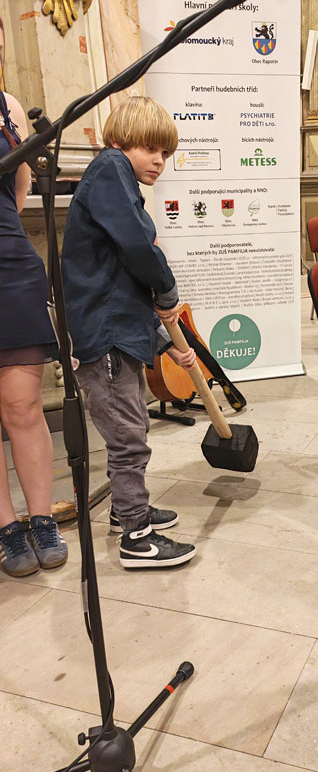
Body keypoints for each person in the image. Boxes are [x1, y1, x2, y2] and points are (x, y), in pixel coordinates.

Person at [62, 96, 198, 569]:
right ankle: (136, 538)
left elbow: (122, 281)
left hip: (118, 332)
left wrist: (164, 344)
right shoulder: (110, 168)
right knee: (127, 437)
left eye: (166, 153)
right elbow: (139, 248)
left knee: (134, 425)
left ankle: (127, 509)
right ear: (121, 141)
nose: (160, 161)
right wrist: (167, 287)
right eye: (150, 149)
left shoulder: (117, 178)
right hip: (106, 339)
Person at [0, 41, 68, 577]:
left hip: (9, 262)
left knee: (23, 406)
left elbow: (21, 184)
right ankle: (6, 529)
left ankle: (41, 520)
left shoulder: (7, 106)